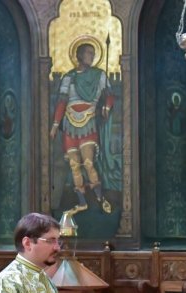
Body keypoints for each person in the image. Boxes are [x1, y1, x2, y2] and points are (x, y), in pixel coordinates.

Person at [50, 42, 116, 214]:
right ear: (79, 55)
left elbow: (109, 95)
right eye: (88, 53)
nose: (92, 56)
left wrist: (106, 108)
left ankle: (100, 198)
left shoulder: (99, 75)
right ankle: (82, 202)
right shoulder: (68, 77)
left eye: (93, 53)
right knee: (74, 166)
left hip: (88, 123)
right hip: (70, 125)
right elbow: (62, 102)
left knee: (88, 163)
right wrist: (55, 126)